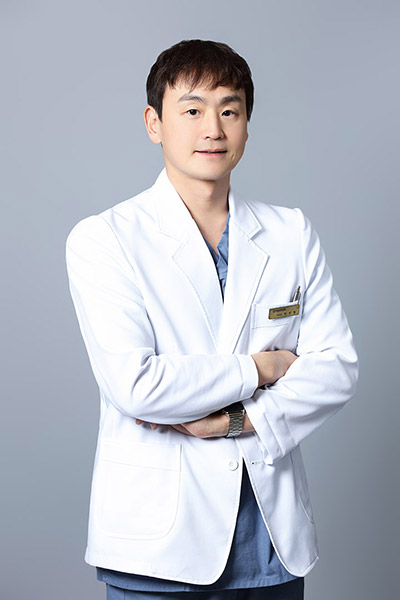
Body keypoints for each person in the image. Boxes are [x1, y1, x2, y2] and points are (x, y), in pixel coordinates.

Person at [66, 39, 358, 600]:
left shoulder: (290, 233)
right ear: (154, 123)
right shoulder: (105, 238)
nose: (213, 129)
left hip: (273, 545)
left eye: (230, 110)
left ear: (247, 125)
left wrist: (235, 422)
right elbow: (137, 385)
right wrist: (262, 368)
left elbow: (336, 370)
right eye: (193, 110)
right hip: (159, 547)